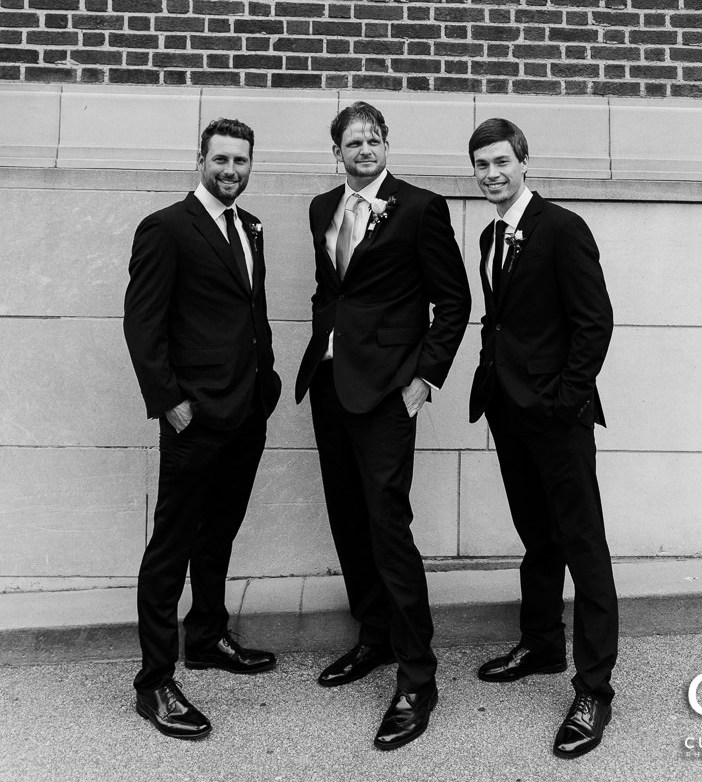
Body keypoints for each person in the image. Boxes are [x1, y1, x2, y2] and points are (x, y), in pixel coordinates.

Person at [295, 101, 471, 751]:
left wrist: (424, 378)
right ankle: (373, 635)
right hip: (331, 389)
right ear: (336, 152)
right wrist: (321, 346)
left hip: (388, 395)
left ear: (386, 145)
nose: (363, 150)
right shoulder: (321, 208)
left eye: (372, 140)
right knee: (348, 518)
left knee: (387, 526)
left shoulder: (420, 208)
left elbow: (453, 299)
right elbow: (328, 290)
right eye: (352, 142)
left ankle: (418, 678)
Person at [123, 117, 282, 740]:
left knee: (220, 533)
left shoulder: (252, 226)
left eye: (241, 161)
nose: (231, 171)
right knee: (171, 546)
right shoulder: (166, 228)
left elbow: (250, 312)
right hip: (194, 416)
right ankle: (155, 682)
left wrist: (265, 384)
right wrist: (169, 402)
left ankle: (208, 635)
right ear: (201, 158)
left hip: (246, 412)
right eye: (221, 159)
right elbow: (143, 325)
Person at [467, 117, 618, 760]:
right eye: (481, 165)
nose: (492, 174)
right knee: (537, 534)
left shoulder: (562, 228)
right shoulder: (489, 234)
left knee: (582, 543)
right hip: (508, 409)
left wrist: (564, 401)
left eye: (501, 161)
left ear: (525, 162)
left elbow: (595, 322)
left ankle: (594, 688)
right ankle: (541, 642)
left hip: (556, 415)